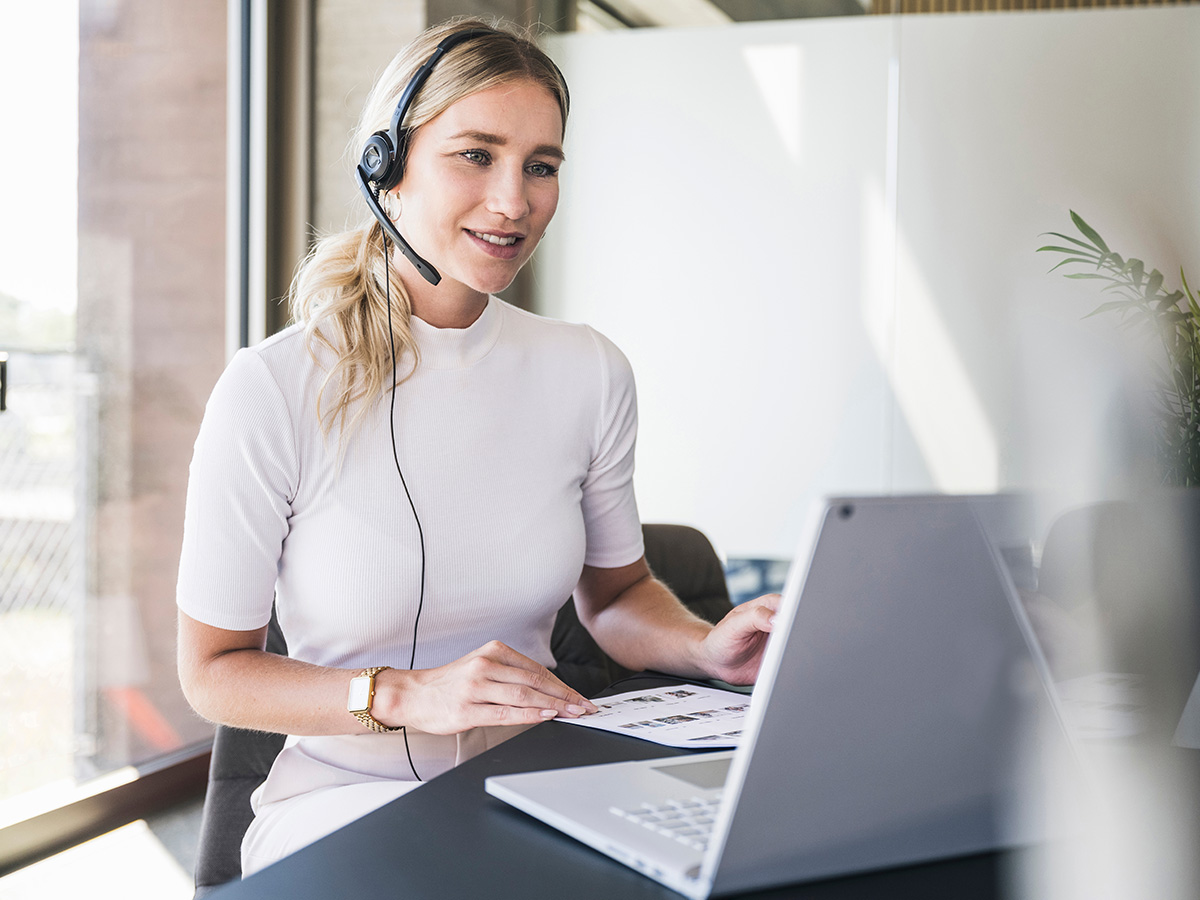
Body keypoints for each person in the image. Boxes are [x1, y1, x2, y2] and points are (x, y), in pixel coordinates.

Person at [176, 17, 779, 877]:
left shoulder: (588, 371)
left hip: (539, 787)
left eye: (541, 166)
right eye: (476, 154)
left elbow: (617, 596)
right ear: (388, 163)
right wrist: (410, 694)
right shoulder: (272, 389)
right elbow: (213, 673)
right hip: (342, 806)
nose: (513, 201)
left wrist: (701, 644)